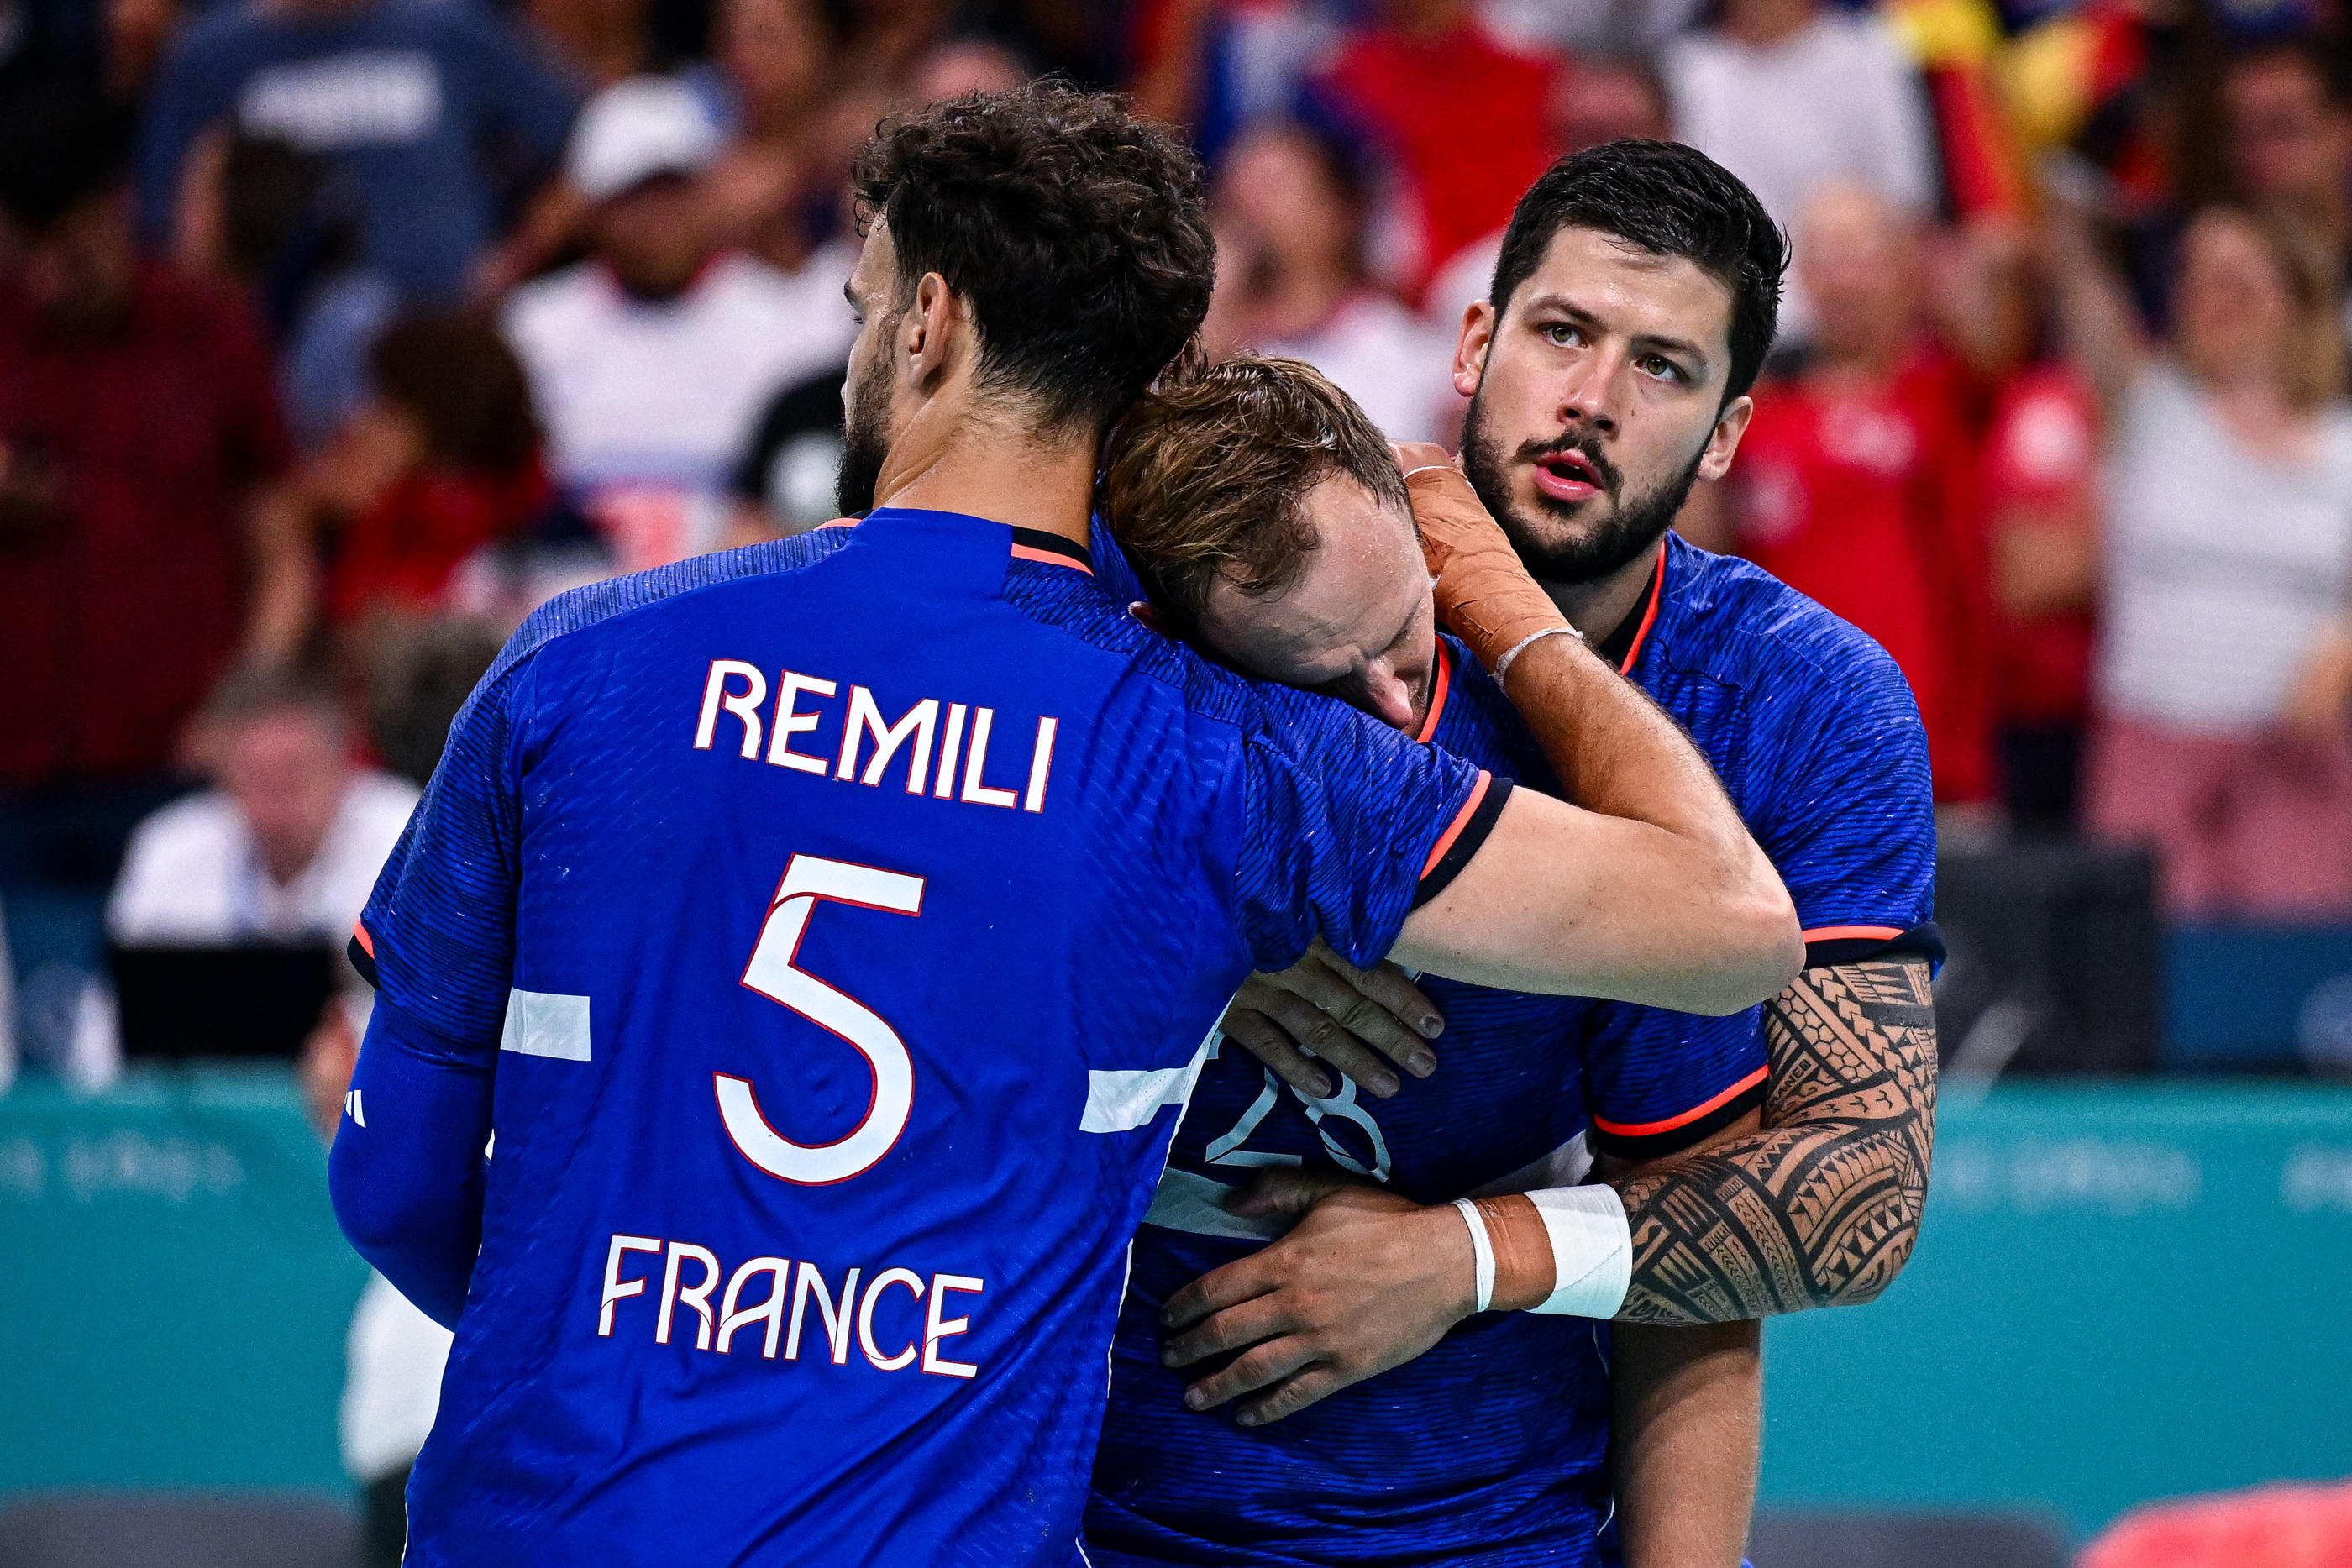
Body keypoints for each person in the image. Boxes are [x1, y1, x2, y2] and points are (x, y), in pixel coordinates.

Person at [328, 84, 1799, 1564]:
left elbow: (391, 1183)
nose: (856, 356)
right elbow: (1733, 929)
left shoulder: (574, 664)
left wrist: (649, 1360)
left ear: (931, 321)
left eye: (861, 309)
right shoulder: (1219, 756)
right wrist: (1513, 612)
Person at [1084, 141, 1940, 1567]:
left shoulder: (1798, 705)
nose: (1593, 400)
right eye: (1562, 333)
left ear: (1729, 433)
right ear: (1476, 339)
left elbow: (1838, 1195)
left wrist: (1460, 1256)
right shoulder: (1214, 554)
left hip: (1494, 1517)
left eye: (1664, 369)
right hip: (1105, 1505)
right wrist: (1196, 945)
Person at [0, 81, 311, 1062]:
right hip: (11, 763)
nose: (51, 274)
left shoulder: (209, 334)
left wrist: (239, 702)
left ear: (115, 207)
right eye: (28, 249)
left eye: (71, 245)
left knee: (166, 1050)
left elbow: (282, 543)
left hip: (173, 760)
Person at [2051, 193, 2352, 917]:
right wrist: (2069, 178)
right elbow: (2077, 271)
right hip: (2153, 747)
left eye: (2239, 278)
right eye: (2197, 276)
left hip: (2298, 759)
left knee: (2292, 992)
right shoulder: (2148, 403)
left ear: (2296, 296)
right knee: (2143, 992)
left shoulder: (2346, 443)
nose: (2214, 297)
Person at [1704, 180, 1998, 807]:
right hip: (1783, 754)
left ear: (1907, 266)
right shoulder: (1753, 416)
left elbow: (2002, 271)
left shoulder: (1949, 391)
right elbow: (1699, 549)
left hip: (1930, 759)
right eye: (1827, 255)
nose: (1846, 279)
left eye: (1863, 252)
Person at [501, 74, 858, 574]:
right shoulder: (530, 329)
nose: (658, 217)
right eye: (634, 195)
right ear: (592, 210)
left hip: (736, 597)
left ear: (710, 193)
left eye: (674, 190)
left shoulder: (792, 323)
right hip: (568, 599)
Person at [136, 0, 579, 303]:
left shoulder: (449, 29)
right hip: (276, 349)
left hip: (444, 334)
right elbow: (163, 214)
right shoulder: (207, 56)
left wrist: (514, 261)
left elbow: (587, 144)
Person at [1661, 0, 1936, 341]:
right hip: (1731, 310)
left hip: (1848, 298)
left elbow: (1906, 210)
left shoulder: (1870, 54)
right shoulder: (1689, 70)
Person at [108, 669, 417, 954]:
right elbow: (114, 1006)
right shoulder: (169, 848)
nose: (275, 804)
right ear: (224, 778)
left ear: (344, 769)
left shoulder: (406, 841)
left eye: (293, 776)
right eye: (255, 777)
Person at [1206, 119, 1457, 442]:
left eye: (1272, 186)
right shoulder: (1190, 346)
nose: (1246, 205)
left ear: (1339, 211)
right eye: (1233, 188)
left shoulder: (1410, 360)